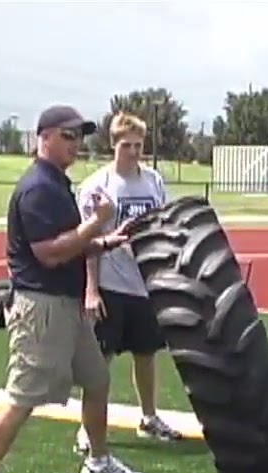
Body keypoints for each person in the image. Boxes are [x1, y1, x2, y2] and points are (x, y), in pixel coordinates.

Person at [0, 105, 146, 473]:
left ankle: (98, 461)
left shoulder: (58, 185)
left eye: (79, 136)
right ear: (43, 137)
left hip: (68, 307)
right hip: (41, 308)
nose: (76, 144)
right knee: (22, 397)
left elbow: (72, 245)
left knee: (97, 380)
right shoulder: (37, 189)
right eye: (67, 136)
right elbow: (50, 253)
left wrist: (106, 241)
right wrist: (97, 223)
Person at [71, 112, 184, 455]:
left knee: (147, 354)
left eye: (138, 145)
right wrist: (91, 290)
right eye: (127, 145)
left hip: (144, 283)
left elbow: (162, 228)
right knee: (100, 360)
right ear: (113, 144)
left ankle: (148, 417)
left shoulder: (153, 181)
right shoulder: (97, 186)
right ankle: (86, 430)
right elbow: (89, 241)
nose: (134, 152)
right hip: (110, 284)